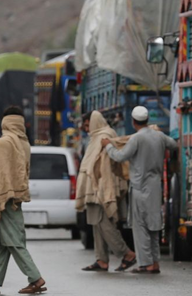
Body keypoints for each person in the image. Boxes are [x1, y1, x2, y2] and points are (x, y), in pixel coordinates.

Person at [0, 106, 46, 295]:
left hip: (4, 198)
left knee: (14, 241)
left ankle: (35, 278)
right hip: (15, 196)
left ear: (5, 123)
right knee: (4, 242)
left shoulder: (5, 142)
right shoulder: (24, 143)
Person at [104, 105, 178, 274]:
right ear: (147, 120)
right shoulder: (159, 136)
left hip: (139, 187)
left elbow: (120, 156)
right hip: (155, 187)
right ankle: (155, 262)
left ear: (133, 121)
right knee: (154, 225)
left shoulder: (136, 139)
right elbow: (173, 144)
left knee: (140, 226)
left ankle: (146, 263)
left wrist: (108, 146)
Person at [75, 110, 137, 272]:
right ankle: (101, 260)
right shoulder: (96, 137)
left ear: (95, 122)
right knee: (97, 223)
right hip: (94, 188)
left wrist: (102, 189)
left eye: (88, 125)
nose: (87, 129)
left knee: (104, 224)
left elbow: (106, 166)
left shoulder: (104, 135)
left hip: (100, 189)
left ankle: (127, 253)